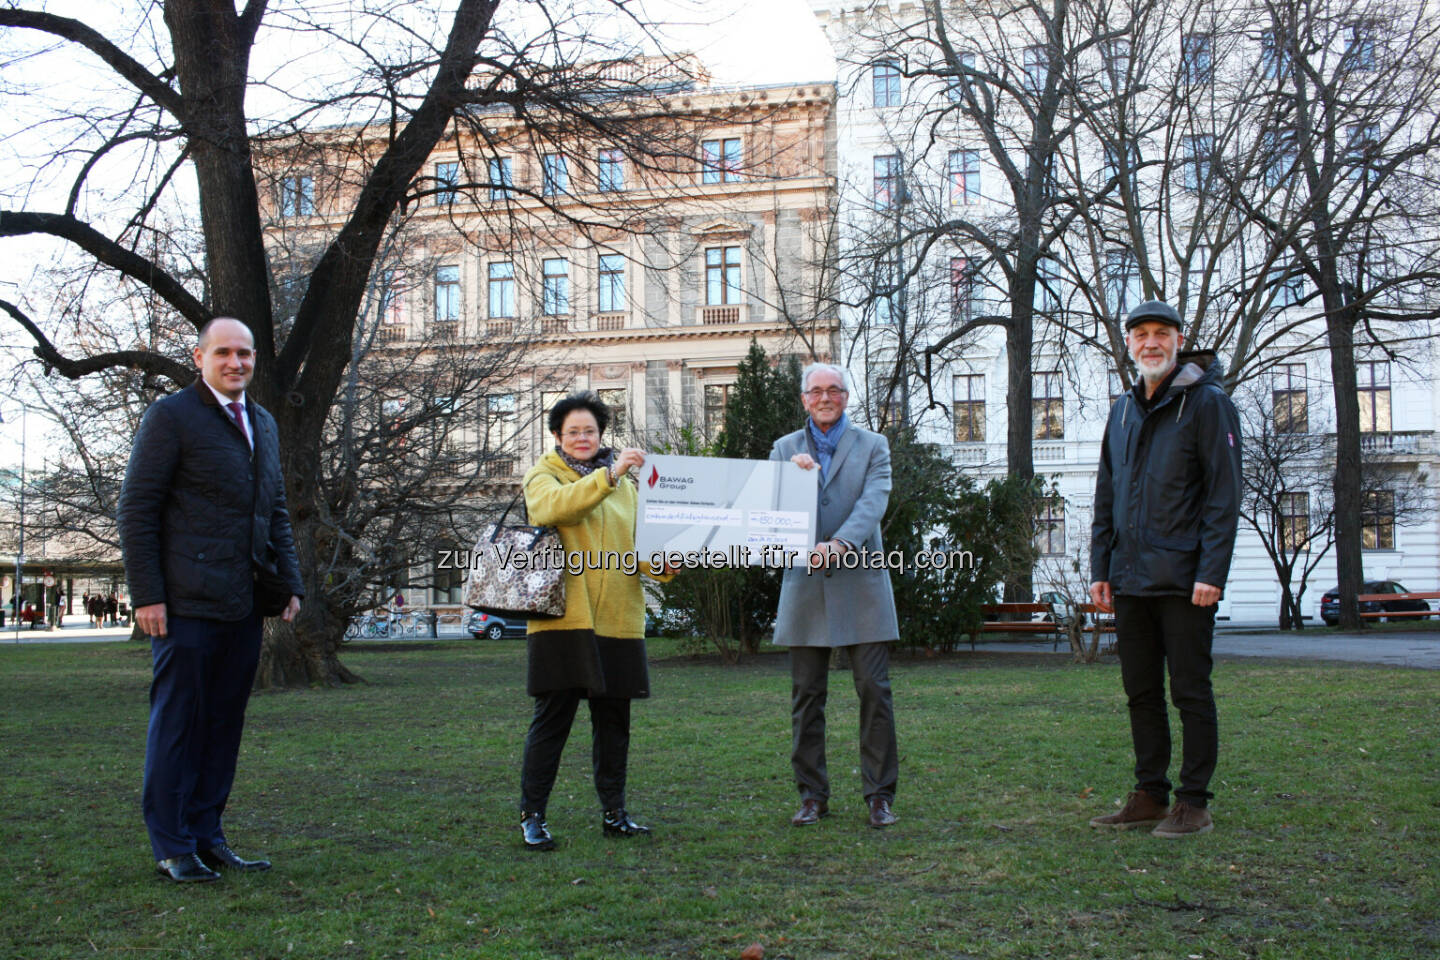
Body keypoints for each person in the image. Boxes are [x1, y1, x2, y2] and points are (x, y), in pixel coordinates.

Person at [117, 316, 304, 883]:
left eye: (244, 353)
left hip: (242, 604)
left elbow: (274, 510)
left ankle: (207, 836)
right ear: (200, 358)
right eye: (222, 352)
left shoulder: (263, 422)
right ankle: (172, 845)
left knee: (223, 725)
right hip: (184, 604)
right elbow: (137, 509)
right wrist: (148, 596)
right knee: (179, 724)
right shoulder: (171, 416)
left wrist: (290, 582)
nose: (235, 362)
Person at [1088, 300, 1242, 839]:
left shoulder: (1207, 404)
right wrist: (1101, 565)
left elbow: (1224, 495)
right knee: (1141, 693)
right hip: (1130, 578)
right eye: (1141, 335)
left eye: (1161, 333)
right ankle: (1150, 795)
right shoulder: (1122, 409)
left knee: (1190, 692)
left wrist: (1212, 572)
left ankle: (1193, 803)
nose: (1151, 343)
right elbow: (1107, 492)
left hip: (1186, 581)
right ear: (1129, 344)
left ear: (1178, 340)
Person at [516, 391, 672, 852]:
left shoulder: (626, 487)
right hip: (563, 621)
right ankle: (532, 816)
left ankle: (614, 815)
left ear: (601, 434)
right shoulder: (544, 475)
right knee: (552, 724)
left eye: (590, 431)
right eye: (573, 432)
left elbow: (641, 550)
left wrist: (667, 563)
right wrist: (610, 474)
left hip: (619, 621)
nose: (582, 438)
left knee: (614, 728)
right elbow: (555, 509)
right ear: (557, 436)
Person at [769, 362, 901, 829]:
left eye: (834, 390)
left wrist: (842, 543)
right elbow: (773, 511)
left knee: (875, 693)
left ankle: (880, 796)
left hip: (862, 584)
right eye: (816, 391)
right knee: (806, 697)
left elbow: (874, 501)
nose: (825, 397)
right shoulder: (784, 449)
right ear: (804, 399)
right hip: (805, 586)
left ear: (846, 396)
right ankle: (812, 796)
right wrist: (796, 482)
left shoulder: (874, 445)